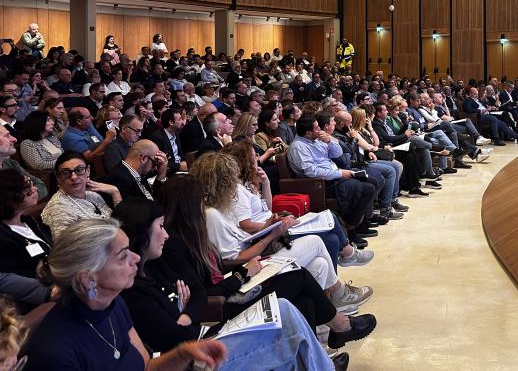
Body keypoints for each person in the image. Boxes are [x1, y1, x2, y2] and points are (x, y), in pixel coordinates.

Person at [113, 198, 344, 370]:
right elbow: (176, 334)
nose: (165, 234)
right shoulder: (139, 284)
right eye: (160, 227)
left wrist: (184, 313)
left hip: (204, 330)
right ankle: (338, 331)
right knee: (291, 298)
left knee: (298, 297)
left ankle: (326, 349)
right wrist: (187, 312)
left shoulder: (154, 267)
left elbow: (196, 296)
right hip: (199, 348)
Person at [23, 218, 229, 370]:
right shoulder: (57, 353)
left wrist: (183, 353)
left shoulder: (114, 304)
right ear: (88, 279)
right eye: (123, 256)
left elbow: (147, 367)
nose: (137, 258)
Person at [190, 151, 374, 316]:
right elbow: (231, 260)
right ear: (221, 183)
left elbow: (241, 239)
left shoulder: (220, 207)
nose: (235, 184)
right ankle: (340, 293)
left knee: (319, 265)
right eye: (231, 179)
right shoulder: (212, 214)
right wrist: (271, 234)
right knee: (315, 242)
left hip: (256, 257)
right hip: (247, 272)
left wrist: (269, 226)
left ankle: (322, 330)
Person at [225, 141, 372, 268]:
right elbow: (245, 225)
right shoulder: (237, 190)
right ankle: (348, 255)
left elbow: (267, 210)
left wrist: (266, 183)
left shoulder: (248, 182)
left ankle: (345, 262)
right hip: (265, 236)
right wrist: (276, 225)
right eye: (254, 156)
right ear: (245, 162)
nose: (258, 158)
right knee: (331, 237)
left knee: (329, 218)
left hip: (273, 226)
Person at [0, 170, 52, 310]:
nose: (35, 188)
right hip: (42, 300)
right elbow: (17, 275)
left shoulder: (28, 221)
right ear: (11, 196)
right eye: (28, 186)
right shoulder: (3, 237)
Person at [41, 152, 122, 237]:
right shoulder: (58, 208)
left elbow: (120, 224)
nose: (74, 177)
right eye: (66, 173)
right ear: (58, 178)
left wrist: (115, 192)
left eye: (79, 170)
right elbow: (67, 247)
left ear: (88, 171)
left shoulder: (93, 195)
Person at [102, 140, 168, 201]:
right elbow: (139, 211)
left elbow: (152, 196)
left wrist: (161, 175)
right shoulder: (119, 179)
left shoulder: (135, 173)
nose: (155, 168)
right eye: (154, 163)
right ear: (143, 158)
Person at [0, 126, 47, 201]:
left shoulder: (11, 164)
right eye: (7, 136)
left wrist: (25, 199)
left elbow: (41, 185)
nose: (15, 139)